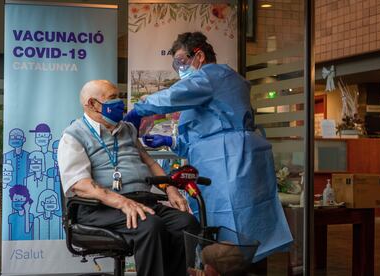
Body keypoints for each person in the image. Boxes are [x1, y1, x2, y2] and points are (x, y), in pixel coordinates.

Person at [124, 32, 293, 261]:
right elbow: (205, 132)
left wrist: (139, 109)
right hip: (225, 157)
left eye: (182, 61)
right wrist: (171, 141)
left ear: (199, 56)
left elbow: (173, 97)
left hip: (230, 161)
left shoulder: (212, 76)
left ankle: (227, 268)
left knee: (232, 231)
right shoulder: (219, 83)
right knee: (221, 227)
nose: (180, 68)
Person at [58, 80, 200, 276]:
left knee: (186, 223)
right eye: (112, 98)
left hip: (140, 200)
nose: (120, 103)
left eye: (120, 97)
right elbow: (80, 185)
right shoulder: (73, 135)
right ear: (92, 104)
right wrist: (122, 202)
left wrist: (170, 189)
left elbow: (150, 163)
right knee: (151, 225)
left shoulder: (128, 129)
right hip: (99, 207)